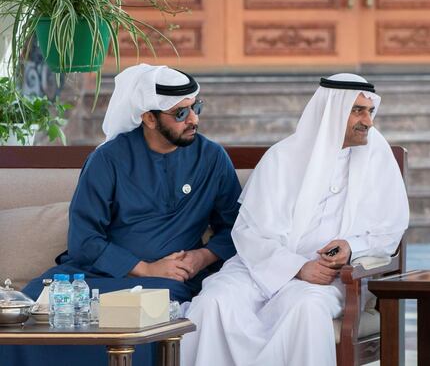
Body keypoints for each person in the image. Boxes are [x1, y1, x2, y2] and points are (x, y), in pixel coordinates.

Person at [5, 64, 241, 366]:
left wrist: (201, 258)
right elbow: (84, 239)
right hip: (95, 275)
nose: (193, 119)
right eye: (180, 113)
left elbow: (237, 228)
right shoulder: (108, 159)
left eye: (196, 107)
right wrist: (145, 268)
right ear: (149, 118)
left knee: (147, 321)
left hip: (167, 284)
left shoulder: (212, 158)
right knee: (28, 312)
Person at [182, 73, 409, 366]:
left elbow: (389, 231)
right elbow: (250, 232)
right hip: (260, 267)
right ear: (331, 112)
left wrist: (351, 247)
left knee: (305, 308)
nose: (368, 121)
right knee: (213, 300)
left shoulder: (378, 158)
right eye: (357, 111)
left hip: (331, 278)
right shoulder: (283, 156)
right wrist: (297, 267)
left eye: (370, 111)